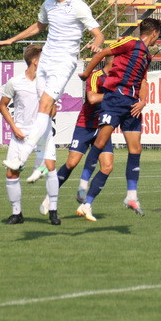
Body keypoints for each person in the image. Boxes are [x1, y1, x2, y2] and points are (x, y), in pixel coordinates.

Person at [0, 0, 105, 210]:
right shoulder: (48, 3)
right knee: (42, 110)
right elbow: (38, 26)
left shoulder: (78, 7)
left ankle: (23, 156)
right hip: (46, 61)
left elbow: (98, 34)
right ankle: (40, 165)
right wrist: (11, 40)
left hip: (63, 62)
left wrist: (96, 44)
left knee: (45, 106)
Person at [75, 18, 161, 222]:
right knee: (101, 141)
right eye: (158, 35)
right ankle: (83, 182)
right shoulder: (130, 42)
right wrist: (86, 73)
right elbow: (103, 53)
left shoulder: (147, 55)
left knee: (136, 149)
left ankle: (131, 196)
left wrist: (143, 101)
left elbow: (143, 81)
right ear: (154, 33)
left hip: (132, 104)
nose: (158, 38)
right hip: (115, 99)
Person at [38, 55, 114, 215]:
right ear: (113, 61)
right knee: (72, 163)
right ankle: (49, 197)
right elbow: (92, 98)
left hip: (104, 127)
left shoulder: (119, 79)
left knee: (107, 167)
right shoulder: (96, 76)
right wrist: (115, 96)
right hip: (85, 125)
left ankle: (86, 205)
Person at [0, 45, 61, 225]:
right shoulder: (15, 82)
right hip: (21, 134)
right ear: (35, 61)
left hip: (43, 134)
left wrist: (52, 108)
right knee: (12, 172)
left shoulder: (49, 83)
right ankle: (16, 213)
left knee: (50, 168)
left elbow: (53, 110)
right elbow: (2, 105)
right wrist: (14, 128)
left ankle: (53, 211)